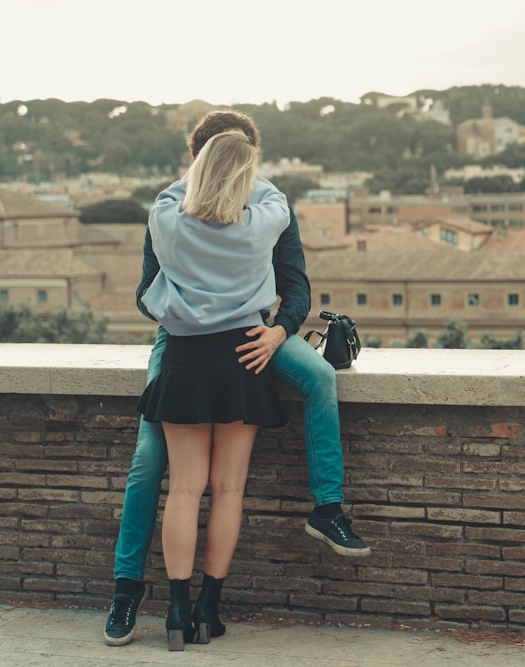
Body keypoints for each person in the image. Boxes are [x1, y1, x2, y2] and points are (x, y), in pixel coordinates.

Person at [103, 111, 369, 649]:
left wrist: (279, 332)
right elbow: (146, 289)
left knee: (317, 375)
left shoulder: (167, 209)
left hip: (255, 335)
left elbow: (296, 288)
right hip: (201, 342)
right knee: (148, 463)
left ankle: (327, 508)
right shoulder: (265, 208)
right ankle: (127, 590)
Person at [137, 129, 291, 650]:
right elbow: (275, 198)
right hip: (241, 355)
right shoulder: (261, 221)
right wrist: (242, 167)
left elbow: (176, 192)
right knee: (228, 491)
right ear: (245, 177)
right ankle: (209, 609)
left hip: (183, 357)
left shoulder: (166, 217)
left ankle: (176, 613)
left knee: (183, 489)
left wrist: (206, 170)